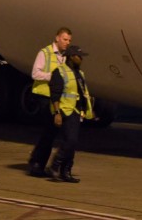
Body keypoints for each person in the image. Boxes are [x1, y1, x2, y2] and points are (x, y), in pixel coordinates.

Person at [27, 27, 72, 177]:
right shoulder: (45, 53)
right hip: (43, 97)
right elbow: (35, 73)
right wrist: (52, 77)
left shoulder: (65, 57)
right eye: (65, 39)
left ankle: (36, 160)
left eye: (69, 40)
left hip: (55, 99)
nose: (67, 43)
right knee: (49, 131)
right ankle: (37, 164)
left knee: (50, 132)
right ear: (57, 38)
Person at [45, 44, 94, 183]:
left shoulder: (80, 73)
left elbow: (82, 93)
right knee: (70, 141)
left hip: (76, 111)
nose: (81, 59)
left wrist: (86, 110)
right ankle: (55, 164)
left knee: (72, 143)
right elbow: (55, 94)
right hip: (65, 111)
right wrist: (57, 113)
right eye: (79, 56)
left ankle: (66, 172)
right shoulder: (59, 72)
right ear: (71, 57)